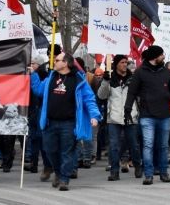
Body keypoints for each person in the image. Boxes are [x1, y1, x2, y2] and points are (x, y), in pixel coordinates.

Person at [30, 51, 101, 192]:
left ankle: (64, 179)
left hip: (69, 123)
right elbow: (38, 90)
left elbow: (89, 99)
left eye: (57, 60)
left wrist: (95, 115)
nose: (54, 62)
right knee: (50, 151)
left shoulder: (78, 79)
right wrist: (33, 75)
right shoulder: (51, 77)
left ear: (66, 63)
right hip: (50, 122)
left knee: (67, 152)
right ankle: (58, 172)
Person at [125, 45, 170, 185]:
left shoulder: (166, 72)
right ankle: (149, 174)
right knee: (148, 145)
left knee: (163, 146)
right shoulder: (140, 72)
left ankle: (163, 172)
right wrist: (127, 108)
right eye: (162, 55)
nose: (164, 57)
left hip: (165, 115)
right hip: (147, 115)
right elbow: (132, 91)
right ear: (154, 57)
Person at [97, 54, 142, 181]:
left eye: (126, 62)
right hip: (114, 117)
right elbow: (101, 96)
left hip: (130, 116)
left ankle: (138, 166)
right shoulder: (110, 79)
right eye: (122, 62)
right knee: (114, 146)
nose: (124, 65)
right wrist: (105, 81)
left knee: (134, 145)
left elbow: (139, 95)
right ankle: (114, 171)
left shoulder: (133, 79)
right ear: (116, 64)